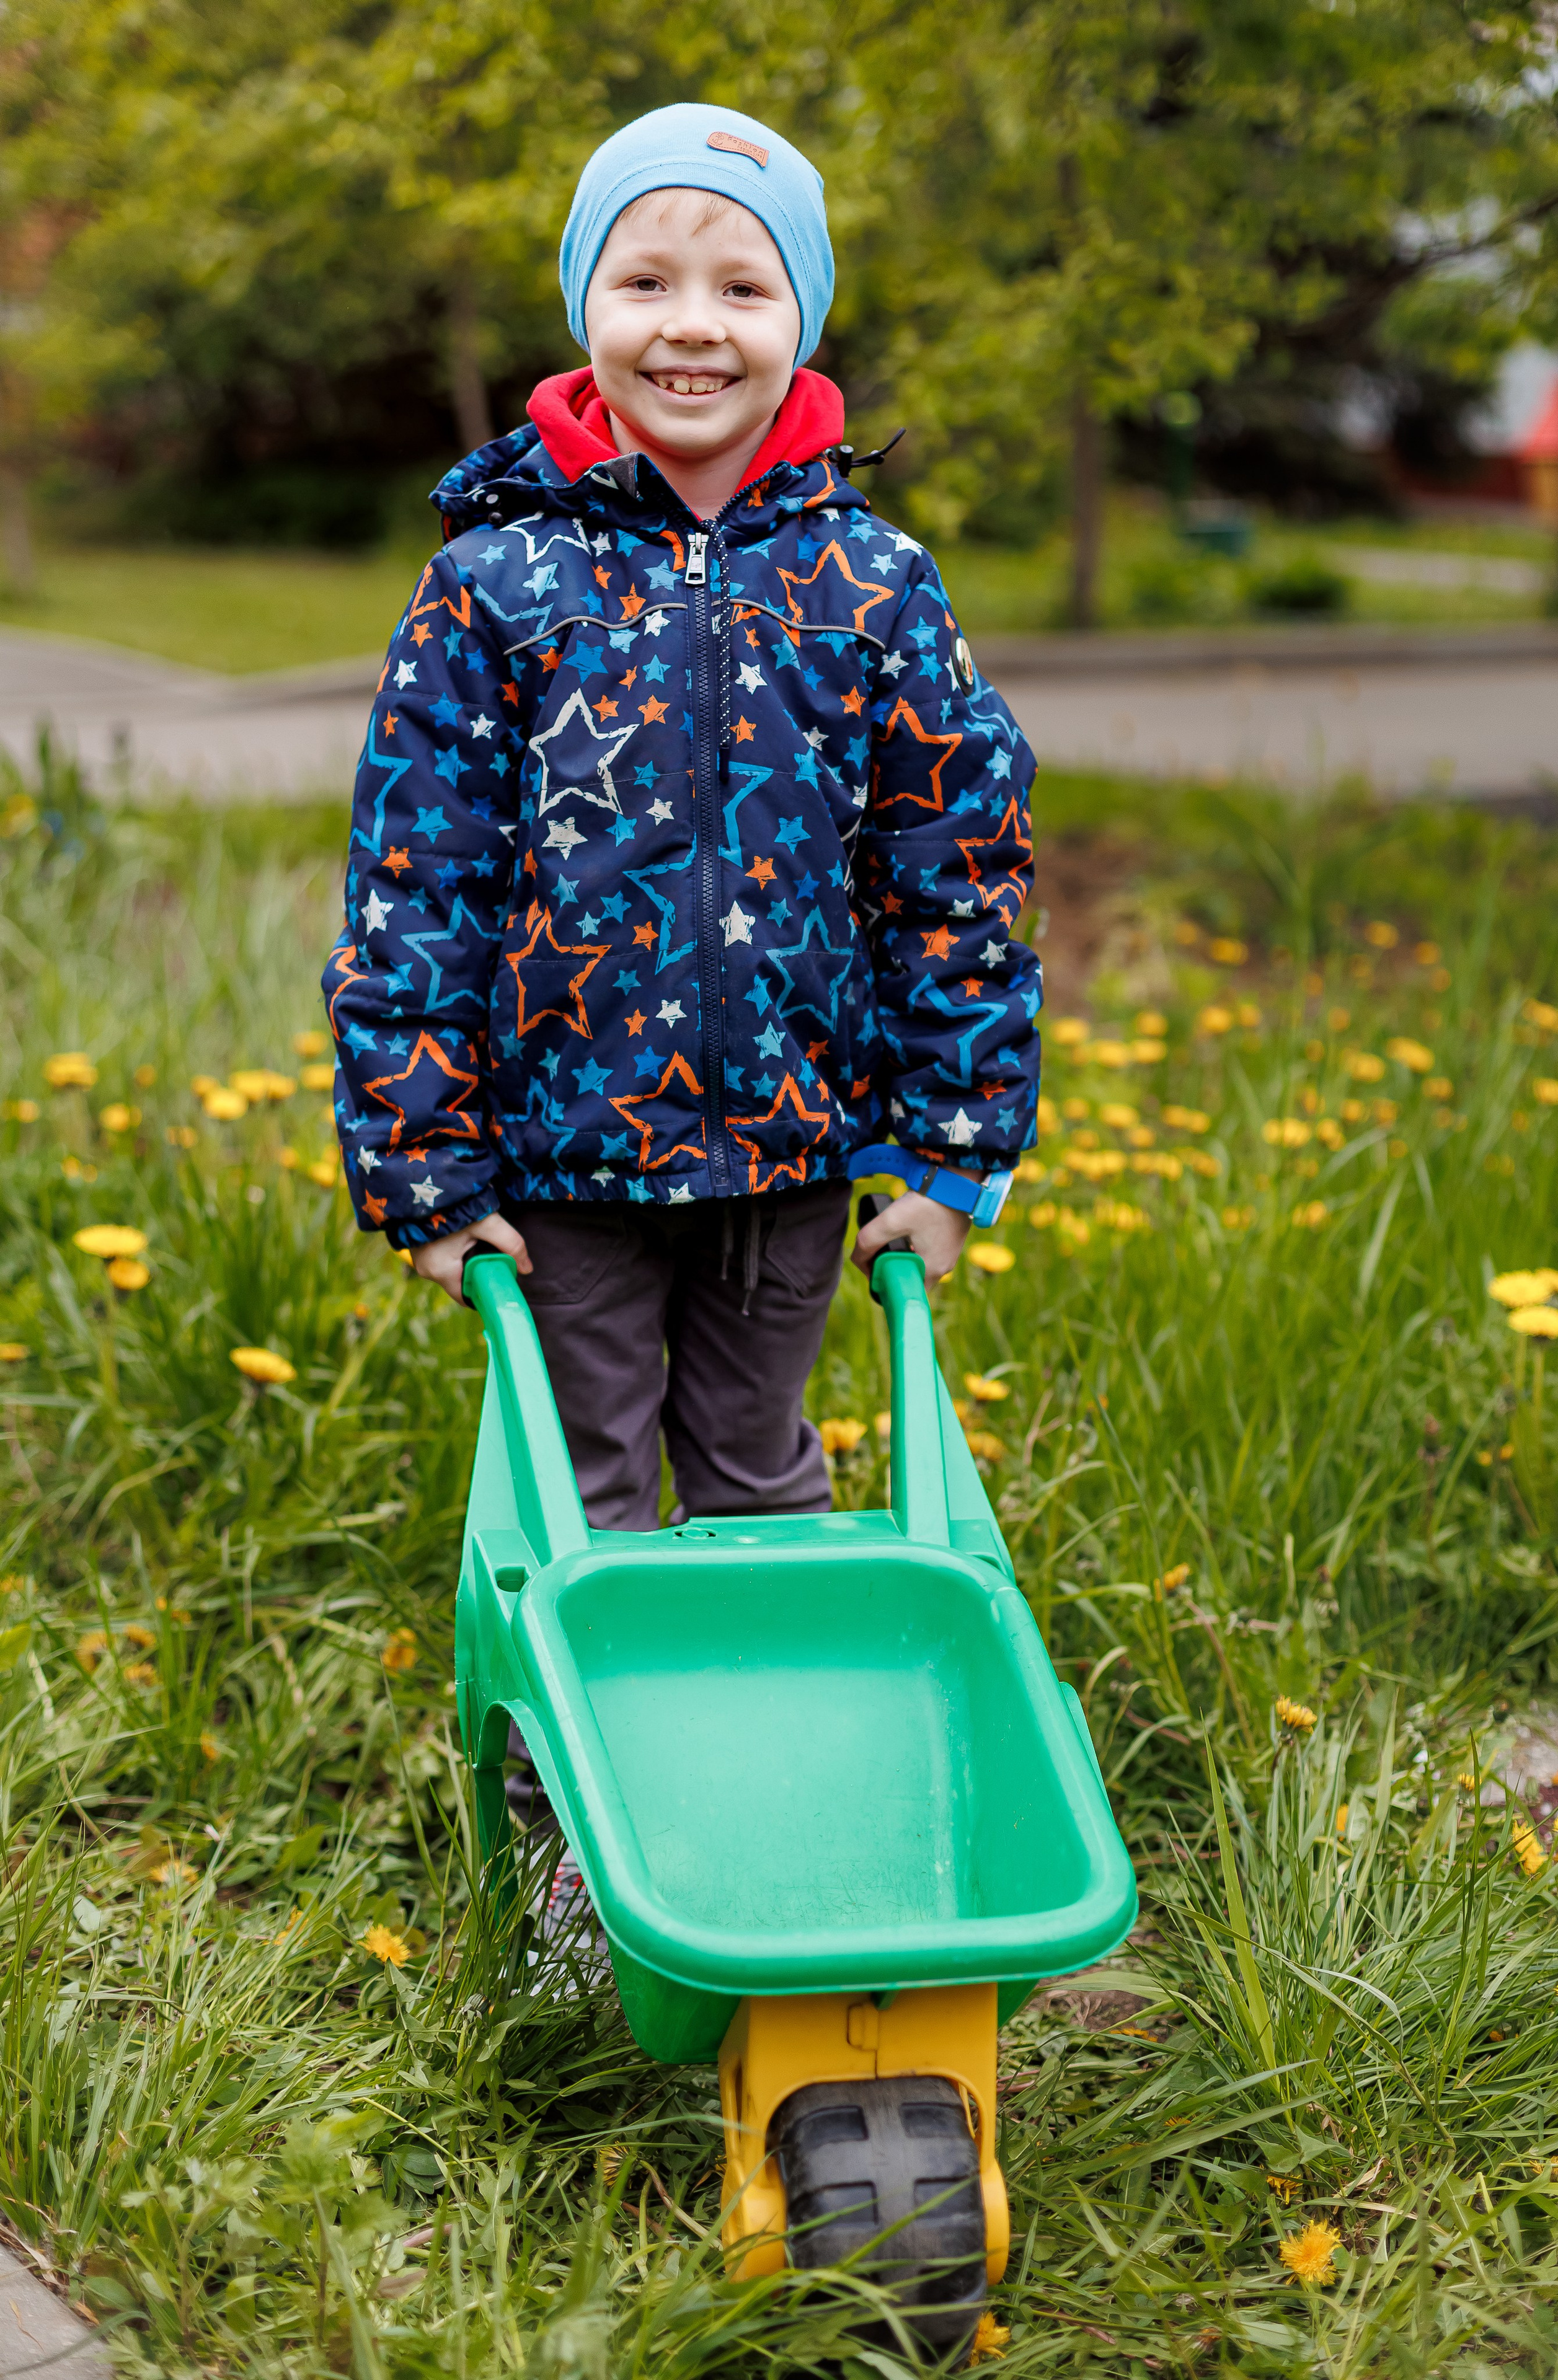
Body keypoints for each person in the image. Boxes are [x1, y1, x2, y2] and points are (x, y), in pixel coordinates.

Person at [323, 99, 1041, 1539]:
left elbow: (955, 871)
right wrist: (422, 1162)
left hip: (788, 1150)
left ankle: (763, 1762)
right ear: (585, 299)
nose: (690, 327)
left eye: (742, 287)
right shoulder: (493, 583)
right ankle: (563, 1771)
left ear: (803, 318)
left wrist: (953, 1146)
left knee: (763, 1482)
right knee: (582, 1497)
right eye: (643, 281)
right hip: (559, 1157)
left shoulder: (873, 585)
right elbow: (417, 883)